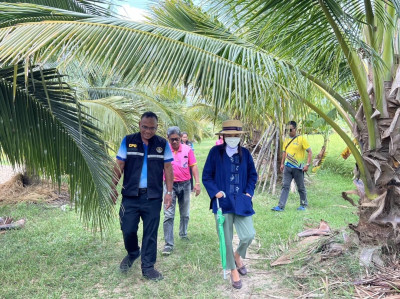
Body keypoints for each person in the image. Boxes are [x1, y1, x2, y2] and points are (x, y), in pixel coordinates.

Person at [111, 111, 174, 281]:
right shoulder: (128, 141)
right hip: (130, 195)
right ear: (139, 124)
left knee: (150, 233)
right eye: (144, 127)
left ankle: (148, 267)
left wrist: (169, 192)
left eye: (152, 128)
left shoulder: (162, 144)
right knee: (127, 228)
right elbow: (119, 164)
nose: (147, 131)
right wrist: (112, 187)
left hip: (152, 197)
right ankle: (133, 252)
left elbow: (168, 169)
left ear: (157, 127)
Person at [202, 120, 258, 289]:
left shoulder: (246, 154)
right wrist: (215, 192)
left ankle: (237, 255)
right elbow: (207, 176)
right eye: (229, 135)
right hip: (222, 202)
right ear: (223, 136)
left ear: (239, 137)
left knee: (248, 235)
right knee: (225, 239)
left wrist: (248, 193)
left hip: (242, 201)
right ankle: (233, 270)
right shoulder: (215, 152)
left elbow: (252, 175)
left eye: (235, 135)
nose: (232, 138)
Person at [162, 126, 201, 256]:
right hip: (169, 186)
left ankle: (183, 234)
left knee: (185, 213)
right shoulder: (164, 150)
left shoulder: (188, 149)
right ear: (168, 139)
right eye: (171, 140)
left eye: (177, 139)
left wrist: (197, 183)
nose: (174, 142)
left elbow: (194, 166)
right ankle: (168, 244)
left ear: (181, 138)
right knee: (168, 214)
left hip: (185, 185)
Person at [271, 121, 312, 212]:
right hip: (287, 167)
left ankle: (303, 204)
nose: (289, 132)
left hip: (298, 168)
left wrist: (307, 165)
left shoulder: (301, 139)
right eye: (287, 130)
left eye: (290, 129)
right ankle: (281, 206)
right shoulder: (286, 140)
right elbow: (284, 152)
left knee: (300, 187)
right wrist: (282, 164)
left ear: (295, 129)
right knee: (285, 186)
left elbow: (309, 151)